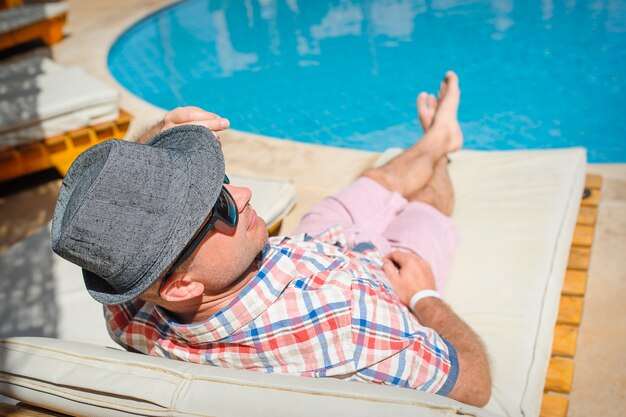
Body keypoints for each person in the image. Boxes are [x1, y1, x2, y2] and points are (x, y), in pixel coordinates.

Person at [51, 71, 491, 406]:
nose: (242, 194)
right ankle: (443, 150)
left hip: (306, 245)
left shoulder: (129, 311)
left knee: (377, 180)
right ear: (181, 285)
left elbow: (115, 219)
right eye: (218, 208)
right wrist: (423, 295)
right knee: (426, 205)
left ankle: (436, 138)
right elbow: (475, 384)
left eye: (219, 181)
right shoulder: (351, 323)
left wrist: (158, 138)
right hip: (387, 273)